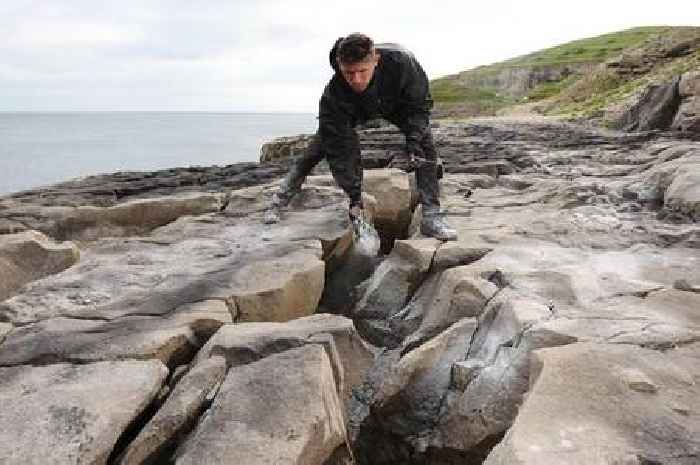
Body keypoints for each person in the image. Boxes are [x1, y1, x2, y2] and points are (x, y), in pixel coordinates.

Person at [263, 33, 457, 241]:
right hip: (353, 108)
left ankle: (431, 217)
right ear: (339, 65)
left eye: (362, 71)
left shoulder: (402, 63)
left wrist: (414, 140)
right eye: (349, 73)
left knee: (424, 149)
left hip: (397, 104)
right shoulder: (333, 95)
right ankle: (279, 200)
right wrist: (355, 196)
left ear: (375, 59)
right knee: (315, 150)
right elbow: (342, 153)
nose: (356, 80)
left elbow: (419, 105)